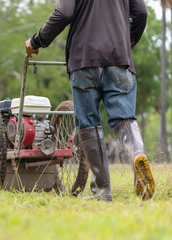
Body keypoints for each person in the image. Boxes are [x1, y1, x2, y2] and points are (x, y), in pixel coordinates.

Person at [25, 0, 155, 201]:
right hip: (119, 60)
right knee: (124, 119)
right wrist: (125, 44)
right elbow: (142, 13)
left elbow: (64, 13)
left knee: (89, 124)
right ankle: (138, 154)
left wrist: (37, 40)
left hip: (84, 60)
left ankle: (102, 192)